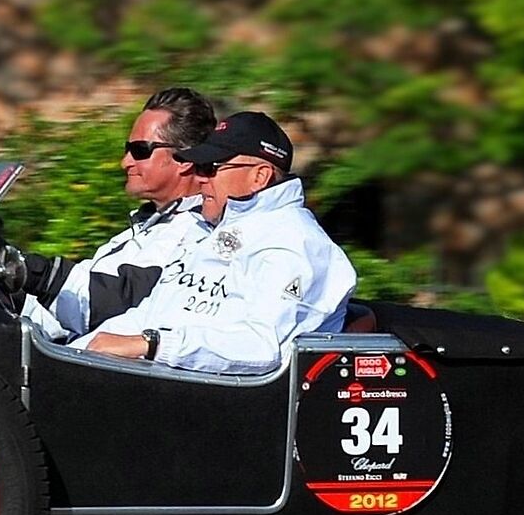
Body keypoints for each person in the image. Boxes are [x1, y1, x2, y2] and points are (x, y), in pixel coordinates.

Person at [79, 111, 357, 374]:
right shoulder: (206, 229)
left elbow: (261, 346)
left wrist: (153, 345)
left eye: (211, 167)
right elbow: (146, 316)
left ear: (259, 176)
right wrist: (72, 355)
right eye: (199, 166)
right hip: (164, 386)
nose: (199, 178)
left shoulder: (297, 244)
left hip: (225, 405)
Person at [14, 87, 218, 338]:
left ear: (185, 158)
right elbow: (60, 316)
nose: (125, 162)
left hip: (107, 370)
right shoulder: (147, 224)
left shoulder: (198, 232)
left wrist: (25, 269)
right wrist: (5, 290)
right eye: (126, 149)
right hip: (71, 355)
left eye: (140, 150)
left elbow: (110, 305)